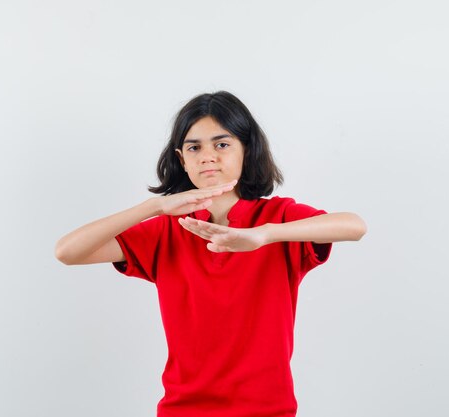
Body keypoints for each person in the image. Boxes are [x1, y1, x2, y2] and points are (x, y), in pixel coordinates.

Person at [55, 91, 367, 417]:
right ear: (181, 159)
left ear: (247, 149)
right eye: (194, 147)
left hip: (268, 410)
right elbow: (67, 251)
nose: (207, 156)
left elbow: (354, 226)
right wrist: (155, 206)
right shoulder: (167, 230)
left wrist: (264, 235)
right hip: (183, 410)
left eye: (222, 144)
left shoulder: (280, 218)